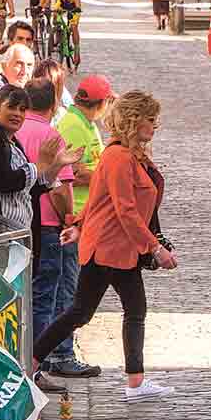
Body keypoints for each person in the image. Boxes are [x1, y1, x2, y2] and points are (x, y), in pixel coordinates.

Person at [33, 90, 179, 401]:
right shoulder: (118, 157)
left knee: (105, 310)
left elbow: (101, 199)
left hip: (116, 247)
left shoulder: (128, 154)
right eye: (151, 121)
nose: (155, 126)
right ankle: (31, 363)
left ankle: (135, 382)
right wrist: (155, 248)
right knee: (91, 311)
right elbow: (122, 207)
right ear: (134, 121)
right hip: (111, 248)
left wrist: (78, 227)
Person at [16, 78, 82, 382]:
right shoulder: (50, 134)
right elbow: (60, 188)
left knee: (28, 295)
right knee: (51, 296)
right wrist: (69, 218)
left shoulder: (15, 130)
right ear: (54, 103)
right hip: (49, 224)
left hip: (21, 224)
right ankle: (43, 363)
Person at [49, 74, 114, 378]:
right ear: (100, 104)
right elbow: (71, 168)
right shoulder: (75, 124)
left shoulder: (84, 123)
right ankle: (61, 353)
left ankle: (58, 350)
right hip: (73, 214)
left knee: (72, 288)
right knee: (68, 289)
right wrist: (104, 174)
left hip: (83, 213)